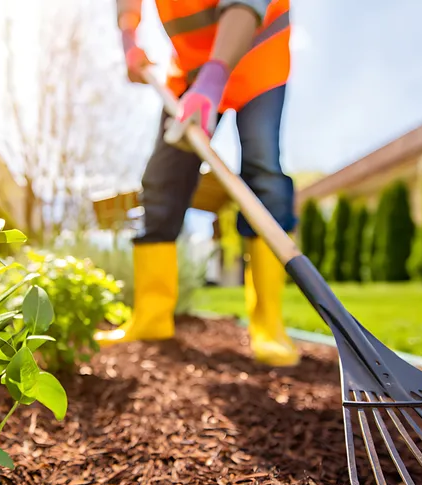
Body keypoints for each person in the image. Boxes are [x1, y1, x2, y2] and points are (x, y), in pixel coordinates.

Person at [94, 0, 299, 367]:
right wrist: (128, 34)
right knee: (162, 181)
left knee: (263, 174)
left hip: (258, 58)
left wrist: (215, 76)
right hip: (190, 68)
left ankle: (269, 326)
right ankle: (151, 316)